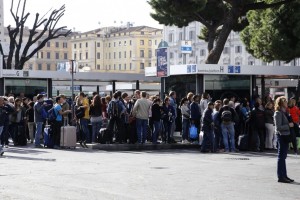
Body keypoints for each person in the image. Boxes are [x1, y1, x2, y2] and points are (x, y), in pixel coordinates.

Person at [274, 96, 294, 183]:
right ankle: (280, 176)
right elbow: (278, 127)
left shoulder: (284, 112)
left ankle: (284, 175)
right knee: (281, 157)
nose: (287, 103)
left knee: (283, 156)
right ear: (281, 103)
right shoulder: (278, 113)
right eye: (285, 101)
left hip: (285, 136)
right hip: (281, 136)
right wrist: (288, 126)